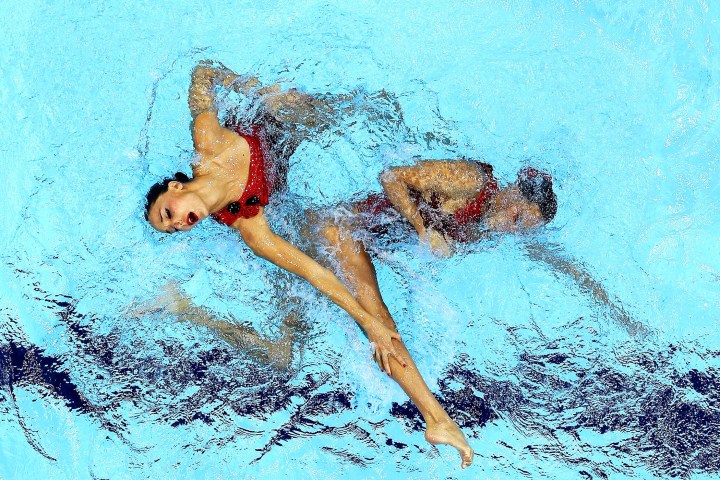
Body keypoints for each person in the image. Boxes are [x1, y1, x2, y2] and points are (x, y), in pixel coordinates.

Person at [144, 62, 474, 467]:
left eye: (167, 214)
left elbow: (202, 71)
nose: (178, 224)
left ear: (175, 188)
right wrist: (366, 321)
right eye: (172, 229)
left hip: (278, 119)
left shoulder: (207, 141)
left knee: (357, 106)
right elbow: (315, 274)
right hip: (285, 205)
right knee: (299, 349)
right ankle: (436, 417)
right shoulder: (250, 228)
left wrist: (255, 88)